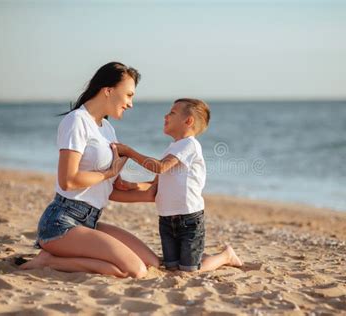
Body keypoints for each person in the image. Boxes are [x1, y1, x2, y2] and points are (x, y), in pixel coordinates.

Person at [20, 62, 160, 278]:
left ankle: (62, 257)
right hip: (61, 222)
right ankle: (49, 260)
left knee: (152, 263)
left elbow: (109, 190)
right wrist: (109, 173)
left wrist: (149, 191)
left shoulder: (107, 129)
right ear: (108, 90)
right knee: (136, 271)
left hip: (90, 220)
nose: (131, 104)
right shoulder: (76, 121)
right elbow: (68, 180)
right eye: (129, 95)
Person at [115, 98, 243, 272]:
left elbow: (160, 167)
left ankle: (225, 256)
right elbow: (157, 183)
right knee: (171, 267)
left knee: (189, 270)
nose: (165, 116)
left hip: (189, 219)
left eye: (172, 113)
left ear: (188, 121)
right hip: (166, 219)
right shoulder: (173, 148)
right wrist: (132, 185)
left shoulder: (189, 145)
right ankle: (198, 256)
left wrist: (129, 152)